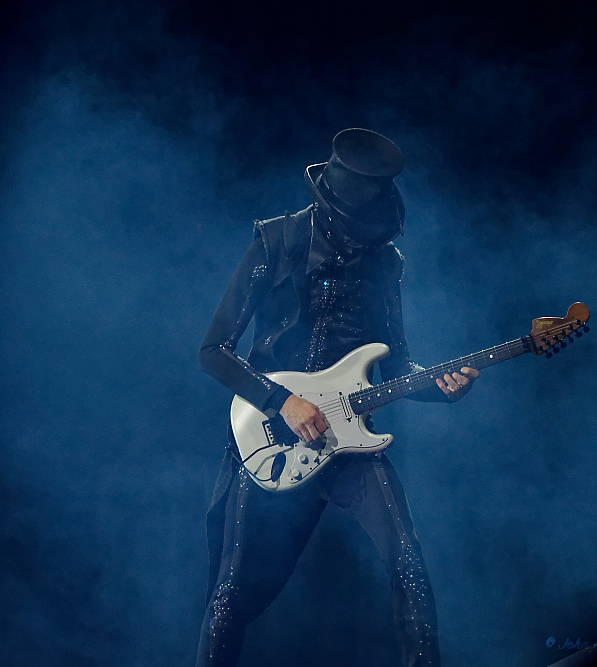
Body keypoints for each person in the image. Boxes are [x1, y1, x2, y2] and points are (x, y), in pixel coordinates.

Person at [196, 128, 479, 667]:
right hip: (273, 434)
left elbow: (395, 364)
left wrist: (442, 389)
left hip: (348, 443)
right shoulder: (276, 241)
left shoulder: (385, 261)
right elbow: (213, 350)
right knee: (231, 590)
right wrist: (282, 401)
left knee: (408, 562)